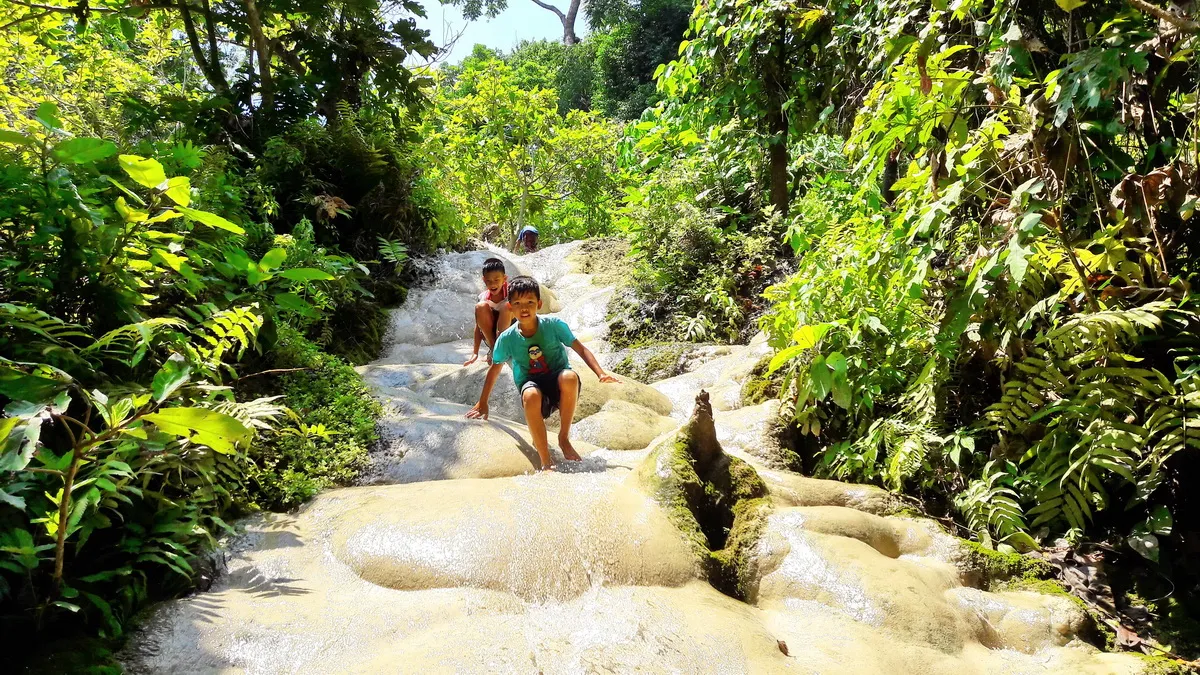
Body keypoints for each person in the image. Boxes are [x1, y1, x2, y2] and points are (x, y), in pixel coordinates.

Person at [465, 275, 619, 470]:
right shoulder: (506, 339)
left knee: (569, 377)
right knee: (530, 394)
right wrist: (483, 402)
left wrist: (600, 373)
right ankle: (546, 460)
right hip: (532, 385)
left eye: (530, 302)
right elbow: (495, 370)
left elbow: (581, 348)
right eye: (518, 303)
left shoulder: (553, 325)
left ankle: (563, 438)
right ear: (510, 308)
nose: (524, 308)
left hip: (557, 381)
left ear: (539, 304)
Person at [464, 258, 513, 367]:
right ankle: (494, 349)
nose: (492, 284)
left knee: (507, 306)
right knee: (480, 306)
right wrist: (475, 352)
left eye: (496, 280)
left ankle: (501, 347)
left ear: (504, 279)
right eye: (488, 281)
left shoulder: (512, 293)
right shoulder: (483, 297)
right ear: (484, 280)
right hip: (491, 337)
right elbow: (478, 326)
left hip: (511, 332)